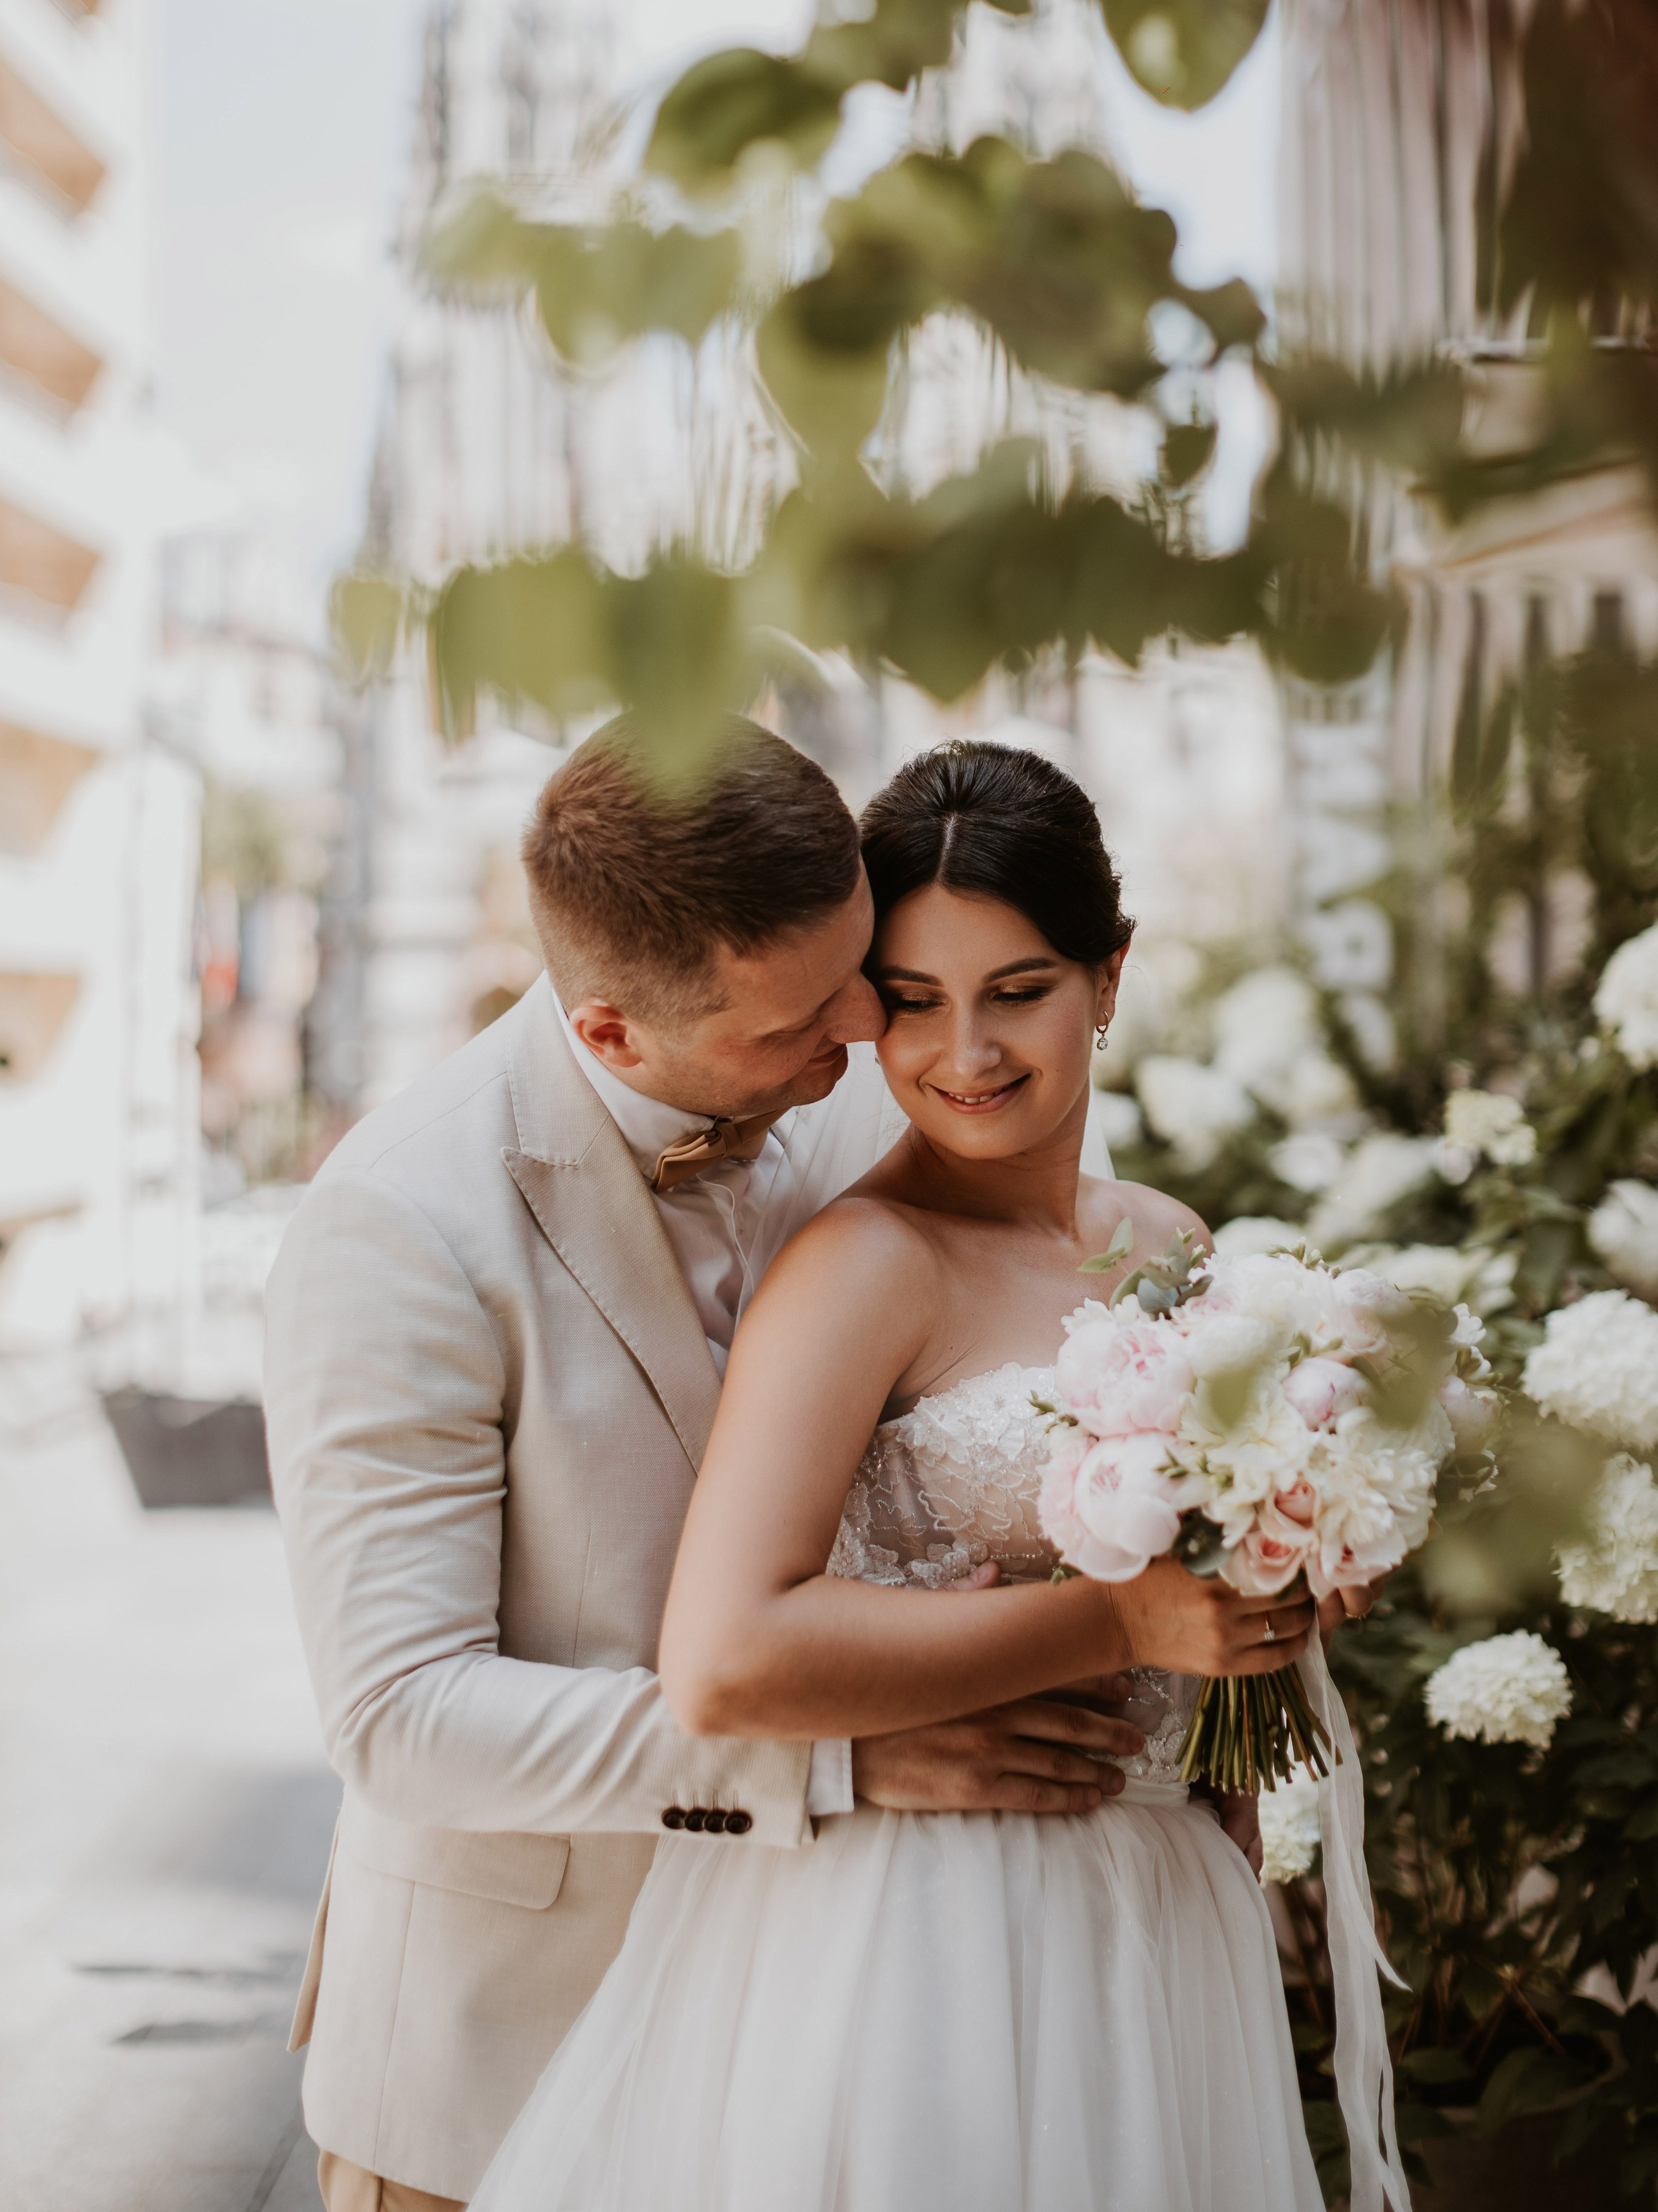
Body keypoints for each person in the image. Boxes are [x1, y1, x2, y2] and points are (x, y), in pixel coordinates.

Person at [264, 720, 1256, 2212]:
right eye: (814, 1014)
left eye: (869, 974)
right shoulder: (400, 1226)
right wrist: (835, 1758)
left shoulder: (865, 1070)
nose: (870, 1027)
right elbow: (405, 1719)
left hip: (892, 2001)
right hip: (505, 2043)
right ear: (610, 1032)